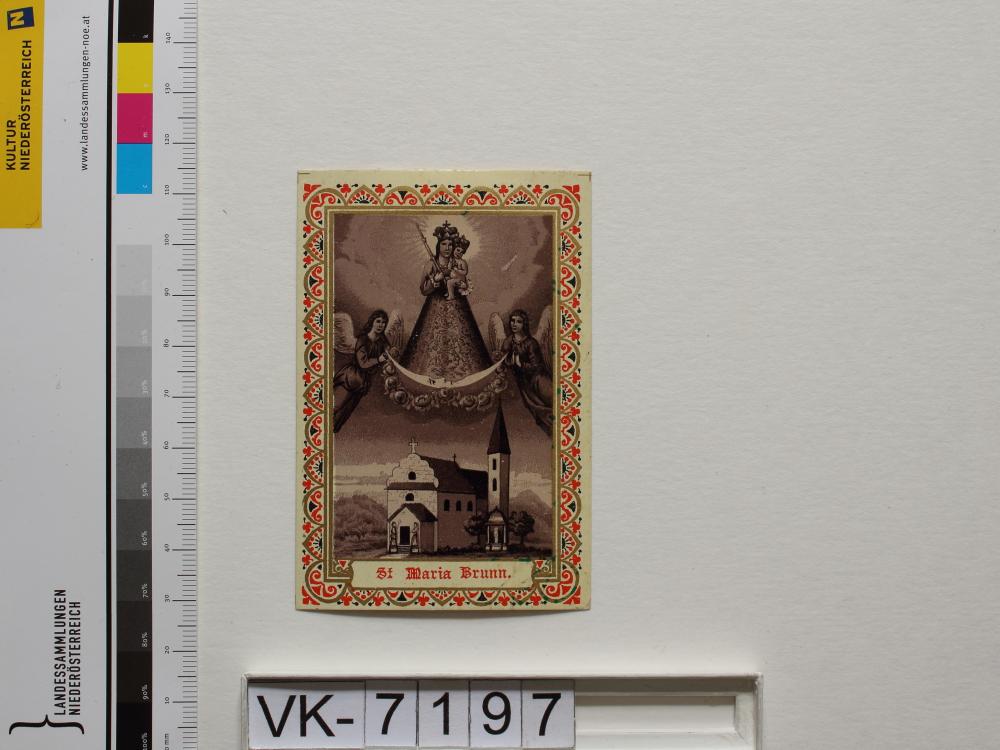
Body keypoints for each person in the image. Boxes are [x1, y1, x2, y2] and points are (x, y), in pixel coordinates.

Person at [401, 222, 493, 381]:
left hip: (458, 306)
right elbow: (423, 290)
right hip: (435, 307)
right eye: (444, 244)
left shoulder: (457, 262)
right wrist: (435, 281)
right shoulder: (431, 264)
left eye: (450, 244)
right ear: (438, 245)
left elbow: (463, 280)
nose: (447, 247)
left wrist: (463, 284)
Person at [331, 309, 391, 432]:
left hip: (362, 384)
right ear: (372, 322)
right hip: (350, 378)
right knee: (333, 407)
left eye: (383, 322)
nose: (381, 325)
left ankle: (327, 436)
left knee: (341, 416)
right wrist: (379, 359)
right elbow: (363, 363)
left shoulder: (382, 343)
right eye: (378, 321)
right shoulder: (363, 340)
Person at [499, 309, 553, 434]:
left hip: (535, 378)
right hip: (520, 380)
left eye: (519, 321)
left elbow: (537, 366)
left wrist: (521, 364)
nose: (514, 324)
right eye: (512, 321)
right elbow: (504, 359)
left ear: (524, 324)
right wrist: (509, 362)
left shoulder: (531, 343)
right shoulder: (508, 341)